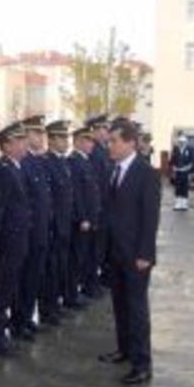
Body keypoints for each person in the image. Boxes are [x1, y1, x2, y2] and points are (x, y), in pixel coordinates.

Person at [98, 120, 161, 385]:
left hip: (136, 255)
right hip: (116, 252)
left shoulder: (145, 172)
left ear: (131, 142)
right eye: (109, 141)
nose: (109, 145)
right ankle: (124, 349)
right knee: (120, 306)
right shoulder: (114, 170)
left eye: (114, 141)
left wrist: (145, 253)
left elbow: (150, 217)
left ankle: (142, 364)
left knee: (136, 310)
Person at [0, 122, 30, 357]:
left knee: (9, 287)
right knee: (1, 289)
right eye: (19, 141)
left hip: (17, 239)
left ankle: (0, 332)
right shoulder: (2, 169)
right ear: (7, 145)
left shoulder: (15, 167)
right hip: (7, 241)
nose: (25, 144)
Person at [12, 115, 53, 340]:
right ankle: (18, 321)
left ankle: (26, 317)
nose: (41, 137)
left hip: (40, 231)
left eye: (41, 133)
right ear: (26, 136)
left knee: (33, 277)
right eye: (36, 133)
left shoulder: (38, 161)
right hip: (28, 232)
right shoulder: (23, 164)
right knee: (23, 279)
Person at [41, 120, 74, 324]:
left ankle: (55, 304)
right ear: (51, 140)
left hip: (64, 224)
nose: (66, 142)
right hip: (53, 226)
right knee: (50, 269)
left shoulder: (63, 162)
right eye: (62, 138)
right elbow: (49, 199)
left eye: (66, 138)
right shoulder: (46, 162)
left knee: (61, 266)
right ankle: (47, 308)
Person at [67, 125, 101, 310]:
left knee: (84, 257)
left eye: (92, 140)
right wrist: (83, 218)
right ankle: (72, 294)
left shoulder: (85, 161)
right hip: (82, 221)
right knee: (76, 258)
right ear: (78, 141)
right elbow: (77, 194)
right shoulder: (74, 161)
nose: (91, 144)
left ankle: (77, 291)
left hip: (90, 219)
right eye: (88, 140)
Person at [84, 114, 112, 296]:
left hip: (105, 207)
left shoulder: (103, 150)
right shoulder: (95, 153)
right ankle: (90, 283)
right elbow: (94, 184)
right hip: (98, 207)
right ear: (94, 130)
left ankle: (98, 280)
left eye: (106, 129)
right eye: (102, 129)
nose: (106, 132)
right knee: (94, 249)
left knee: (100, 248)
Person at [170, 135, 194, 211]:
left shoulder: (189, 150)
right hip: (178, 172)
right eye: (180, 142)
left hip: (185, 172)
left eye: (183, 142)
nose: (181, 143)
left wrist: (188, 169)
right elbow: (172, 160)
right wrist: (173, 168)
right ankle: (178, 203)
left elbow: (192, 161)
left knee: (185, 187)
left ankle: (184, 204)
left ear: (186, 142)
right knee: (178, 187)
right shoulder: (176, 150)